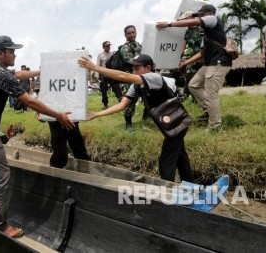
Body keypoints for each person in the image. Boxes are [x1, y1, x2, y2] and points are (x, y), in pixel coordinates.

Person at [0, 35, 74, 238]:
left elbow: (21, 74)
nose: (15, 54)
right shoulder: (2, 75)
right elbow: (30, 102)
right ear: (0, 54)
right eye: (11, 51)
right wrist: (58, 115)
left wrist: (43, 70)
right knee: (1, 174)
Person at [78, 54, 193, 182]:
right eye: (133, 68)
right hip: (169, 125)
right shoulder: (137, 85)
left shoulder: (154, 77)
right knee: (180, 156)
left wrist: (96, 68)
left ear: (148, 67)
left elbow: (124, 76)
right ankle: (190, 184)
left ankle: (167, 192)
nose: (134, 71)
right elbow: (122, 105)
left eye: (137, 68)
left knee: (166, 162)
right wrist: (96, 114)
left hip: (177, 124)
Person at [156, 4, 232, 132]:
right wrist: (185, 62)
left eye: (201, 14)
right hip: (209, 63)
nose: (200, 16)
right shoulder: (207, 34)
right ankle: (209, 111)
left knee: (210, 95)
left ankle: (215, 126)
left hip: (218, 63)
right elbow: (202, 53)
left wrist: (169, 24)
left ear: (209, 13)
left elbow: (196, 21)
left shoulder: (212, 18)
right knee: (193, 85)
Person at [119, 25, 142, 130]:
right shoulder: (124, 48)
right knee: (130, 99)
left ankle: (147, 116)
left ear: (136, 32)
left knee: (148, 96)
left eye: (133, 32)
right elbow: (131, 61)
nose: (131, 35)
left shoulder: (139, 45)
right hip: (128, 77)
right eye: (129, 33)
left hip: (141, 76)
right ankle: (128, 123)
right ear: (125, 35)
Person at [97, 41, 123, 110]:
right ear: (103, 47)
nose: (108, 47)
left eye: (109, 45)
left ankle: (121, 101)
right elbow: (97, 66)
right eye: (106, 46)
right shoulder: (100, 55)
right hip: (104, 74)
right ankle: (105, 104)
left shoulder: (113, 54)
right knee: (103, 89)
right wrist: (97, 76)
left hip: (112, 73)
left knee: (116, 86)